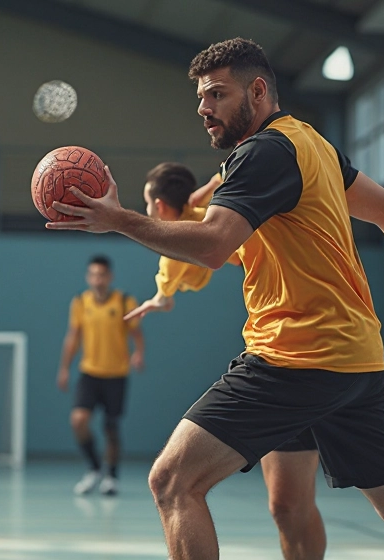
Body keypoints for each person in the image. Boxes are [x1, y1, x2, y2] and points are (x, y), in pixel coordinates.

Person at [47, 38, 384, 559]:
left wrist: (119, 219)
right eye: (200, 97)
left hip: (295, 356)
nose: (203, 108)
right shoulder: (310, 144)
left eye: (217, 94)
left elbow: (214, 245)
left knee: (173, 481)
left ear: (257, 92)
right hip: (355, 358)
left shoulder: (262, 153)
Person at [127, 161, 327, 559]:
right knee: (286, 505)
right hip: (282, 350)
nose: (148, 212)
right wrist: (203, 194)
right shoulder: (212, 212)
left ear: (162, 207)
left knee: (172, 481)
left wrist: (159, 299)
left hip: (318, 345)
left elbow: (173, 279)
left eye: (149, 205)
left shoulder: (217, 211)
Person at [57, 255, 145, 496]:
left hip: (116, 374)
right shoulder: (80, 303)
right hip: (89, 372)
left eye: (102, 275)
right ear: (88, 277)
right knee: (78, 420)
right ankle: (94, 468)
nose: (98, 279)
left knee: (111, 427)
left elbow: (136, 333)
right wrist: (64, 368)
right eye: (93, 275)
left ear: (110, 277)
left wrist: (138, 353)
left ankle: (112, 476)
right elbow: (73, 336)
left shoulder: (125, 301)